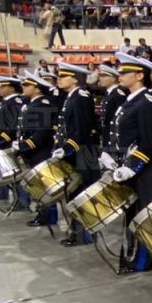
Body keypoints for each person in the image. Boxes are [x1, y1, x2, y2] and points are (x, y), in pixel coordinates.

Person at [103, 53, 152, 274]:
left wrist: (131, 167)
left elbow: (148, 143)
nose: (120, 75)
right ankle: (132, 255)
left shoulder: (146, 102)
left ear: (139, 75)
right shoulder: (129, 102)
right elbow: (120, 136)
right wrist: (108, 154)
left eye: (124, 72)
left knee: (141, 215)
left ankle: (143, 261)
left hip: (140, 170)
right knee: (131, 214)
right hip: (125, 168)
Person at [47, 62, 98, 246]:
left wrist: (68, 147)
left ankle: (83, 235)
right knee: (73, 193)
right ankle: (76, 232)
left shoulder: (81, 97)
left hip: (82, 152)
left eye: (63, 76)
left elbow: (82, 129)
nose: (58, 79)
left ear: (75, 79)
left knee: (80, 194)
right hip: (74, 151)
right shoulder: (70, 97)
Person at [15, 71, 59, 226]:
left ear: (37, 89)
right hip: (35, 151)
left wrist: (25, 145)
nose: (23, 87)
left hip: (40, 151)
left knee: (44, 185)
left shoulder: (42, 104)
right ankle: (44, 215)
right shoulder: (33, 104)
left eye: (27, 85)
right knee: (40, 185)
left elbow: (41, 132)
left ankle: (47, 216)